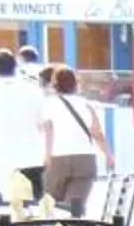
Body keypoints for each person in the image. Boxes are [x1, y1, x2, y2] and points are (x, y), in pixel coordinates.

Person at [0, 48, 48, 204]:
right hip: (32, 157)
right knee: (34, 211)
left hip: (0, 159)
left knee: (5, 211)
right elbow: (45, 125)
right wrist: (47, 154)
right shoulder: (33, 90)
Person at [39, 65, 108, 213]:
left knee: (53, 203)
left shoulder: (49, 104)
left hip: (58, 157)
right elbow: (97, 133)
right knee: (75, 205)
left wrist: (47, 155)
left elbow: (48, 131)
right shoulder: (86, 104)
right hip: (85, 158)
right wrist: (108, 154)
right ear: (76, 84)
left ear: (55, 85)